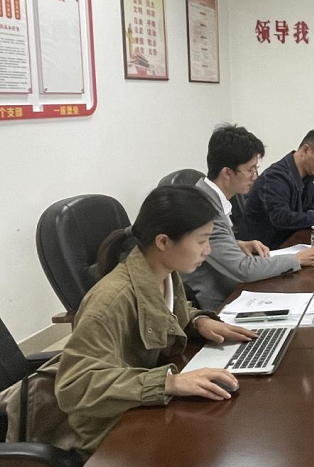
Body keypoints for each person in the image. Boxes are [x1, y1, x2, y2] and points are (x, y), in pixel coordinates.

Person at [54, 186, 259, 457]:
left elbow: (168, 312)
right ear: (163, 242)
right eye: (201, 241)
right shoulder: (110, 301)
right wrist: (169, 383)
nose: (208, 250)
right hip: (111, 433)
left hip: (144, 407)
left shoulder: (165, 272)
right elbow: (74, 386)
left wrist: (198, 321)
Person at [183, 124, 314, 310]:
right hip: (221, 302)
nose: (255, 177)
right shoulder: (205, 209)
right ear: (227, 173)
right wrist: (296, 260)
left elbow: (213, 246)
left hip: (236, 289)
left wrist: (236, 244)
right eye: (250, 170)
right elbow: (243, 269)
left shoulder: (206, 196)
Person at [237, 128, 314, 248]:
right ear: (306, 150)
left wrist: (309, 214)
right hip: (265, 249)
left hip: (291, 241)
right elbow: (282, 218)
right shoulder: (275, 178)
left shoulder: (307, 176)